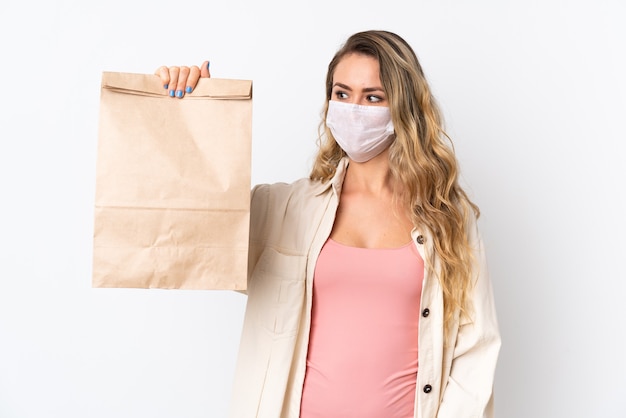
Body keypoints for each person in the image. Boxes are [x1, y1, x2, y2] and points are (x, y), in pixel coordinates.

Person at [155, 30, 500, 418]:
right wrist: (194, 115)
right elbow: (186, 236)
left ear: (405, 108)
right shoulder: (285, 209)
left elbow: (476, 348)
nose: (354, 108)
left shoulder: (446, 219)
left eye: (373, 97)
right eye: (342, 93)